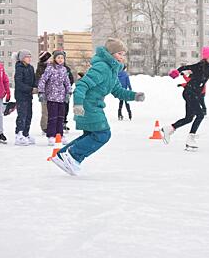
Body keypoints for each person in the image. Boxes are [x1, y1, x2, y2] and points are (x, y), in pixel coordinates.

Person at [52, 38, 145, 175]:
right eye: (119, 53)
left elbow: (117, 91)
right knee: (103, 134)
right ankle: (73, 156)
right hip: (87, 105)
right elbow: (82, 85)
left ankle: (63, 155)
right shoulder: (102, 67)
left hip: (93, 105)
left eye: (123, 54)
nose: (122, 57)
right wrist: (78, 104)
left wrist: (134, 95)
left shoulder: (112, 71)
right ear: (111, 54)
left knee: (91, 134)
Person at [161, 46, 209, 150]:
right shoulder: (199, 66)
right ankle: (190, 139)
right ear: (206, 58)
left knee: (189, 118)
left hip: (194, 94)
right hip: (189, 92)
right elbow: (184, 68)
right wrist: (176, 72)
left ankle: (169, 128)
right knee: (200, 115)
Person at [38, 50, 71, 145]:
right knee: (53, 117)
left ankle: (59, 134)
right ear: (55, 59)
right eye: (58, 58)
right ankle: (51, 135)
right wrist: (41, 92)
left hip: (61, 97)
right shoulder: (50, 69)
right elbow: (42, 80)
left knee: (61, 117)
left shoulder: (64, 70)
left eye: (62, 58)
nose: (60, 60)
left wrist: (68, 92)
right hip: (51, 97)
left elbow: (67, 82)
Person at [14, 49, 36, 146]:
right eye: (27, 56)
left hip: (28, 96)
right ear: (22, 58)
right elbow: (19, 83)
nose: (29, 58)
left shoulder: (31, 68)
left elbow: (34, 79)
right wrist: (30, 89)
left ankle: (26, 133)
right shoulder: (19, 68)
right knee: (22, 115)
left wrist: (36, 87)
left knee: (29, 115)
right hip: (21, 95)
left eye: (30, 56)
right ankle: (19, 134)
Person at [35, 51, 52, 135]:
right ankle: (44, 127)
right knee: (45, 111)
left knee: (51, 111)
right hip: (44, 93)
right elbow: (39, 81)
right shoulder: (41, 68)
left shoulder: (52, 67)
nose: (50, 60)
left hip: (52, 93)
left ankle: (50, 126)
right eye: (48, 58)